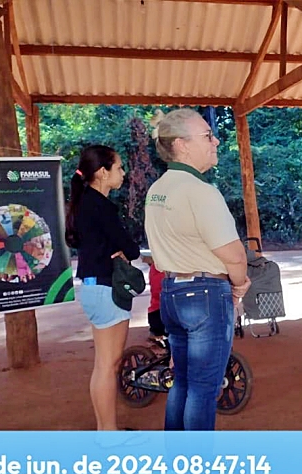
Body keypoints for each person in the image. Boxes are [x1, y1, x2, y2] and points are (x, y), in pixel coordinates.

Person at [144, 109, 251, 431]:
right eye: (207, 135)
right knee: (204, 389)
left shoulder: (157, 190)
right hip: (205, 295)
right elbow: (233, 254)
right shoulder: (200, 191)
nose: (215, 140)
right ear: (182, 145)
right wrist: (240, 285)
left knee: (184, 383)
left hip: (173, 293)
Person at [65, 145, 139, 431]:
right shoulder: (100, 205)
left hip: (93, 290)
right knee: (109, 366)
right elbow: (129, 247)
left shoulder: (85, 203)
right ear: (102, 172)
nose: (123, 172)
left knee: (102, 365)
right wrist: (125, 251)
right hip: (107, 291)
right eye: (119, 167)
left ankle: (104, 430)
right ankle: (108, 435)